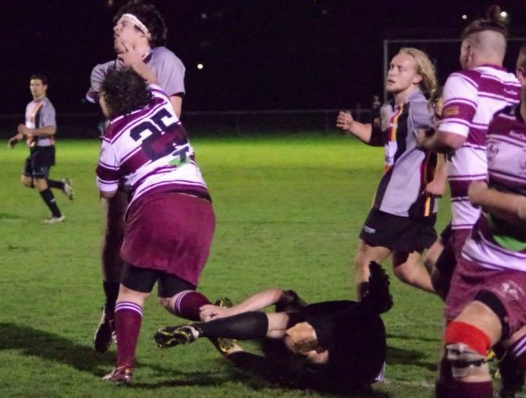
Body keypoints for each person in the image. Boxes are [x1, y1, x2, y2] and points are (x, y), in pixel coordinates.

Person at [95, 68, 214, 385]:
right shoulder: (160, 99)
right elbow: (153, 83)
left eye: (101, 96)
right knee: (174, 296)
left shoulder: (112, 134)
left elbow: (108, 193)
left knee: (130, 294)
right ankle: (216, 316)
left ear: (113, 98)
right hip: (200, 205)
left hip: (159, 206)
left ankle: (123, 369)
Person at [86, 0, 186, 353]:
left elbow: (169, 117)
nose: (115, 29)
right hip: (123, 160)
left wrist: (140, 70)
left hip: (159, 166)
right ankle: (111, 308)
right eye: (114, 25)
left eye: (123, 24)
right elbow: (115, 117)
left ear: (143, 32)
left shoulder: (166, 61)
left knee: (149, 242)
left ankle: (149, 304)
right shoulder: (102, 71)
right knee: (115, 232)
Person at [433, 42, 526, 398]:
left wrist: (484, 195)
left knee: (464, 344)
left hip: (520, 266)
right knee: (448, 374)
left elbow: (486, 192)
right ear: (521, 75)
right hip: (477, 256)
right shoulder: (501, 120)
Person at [154, 261, 393, 392]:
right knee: (291, 331)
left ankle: (199, 330)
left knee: (284, 328)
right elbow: (239, 354)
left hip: (353, 360)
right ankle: (373, 303)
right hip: (357, 361)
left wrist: (225, 320)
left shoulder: (285, 362)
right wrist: (222, 324)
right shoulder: (291, 365)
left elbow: (239, 353)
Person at [417, 6, 521, 299]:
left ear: (468, 50)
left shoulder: (464, 80)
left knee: (477, 303)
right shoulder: (517, 85)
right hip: (507, 204)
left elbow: (452, 138)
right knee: (434, 261)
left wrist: (426, 141)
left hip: (474, 210)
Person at [336, 47, 445, 299]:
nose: (392, 72)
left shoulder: (419, 108)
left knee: (365, 260)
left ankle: (361, 325)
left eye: (401, 68)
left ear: (418, 77)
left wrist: (440, 179)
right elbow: (380, 137)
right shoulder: (391, 108)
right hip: (414, 204)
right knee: (406, 270)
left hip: (400, 202)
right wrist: (352, 126)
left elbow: (448, 141)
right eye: (392, 67)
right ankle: (463, 301)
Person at [7, 74, 73, 224]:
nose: (34, 88)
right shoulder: (30, 106)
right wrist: (16, 138)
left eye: (37, 85)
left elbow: (51, 129)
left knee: (40, 182)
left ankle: (57, 215)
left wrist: (30, 132)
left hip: (45, 149)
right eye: (32, 85)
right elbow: (28, 129)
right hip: (33, 149)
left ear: (45, 87)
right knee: (26, 180)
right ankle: (61, 184)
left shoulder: (46, 107)